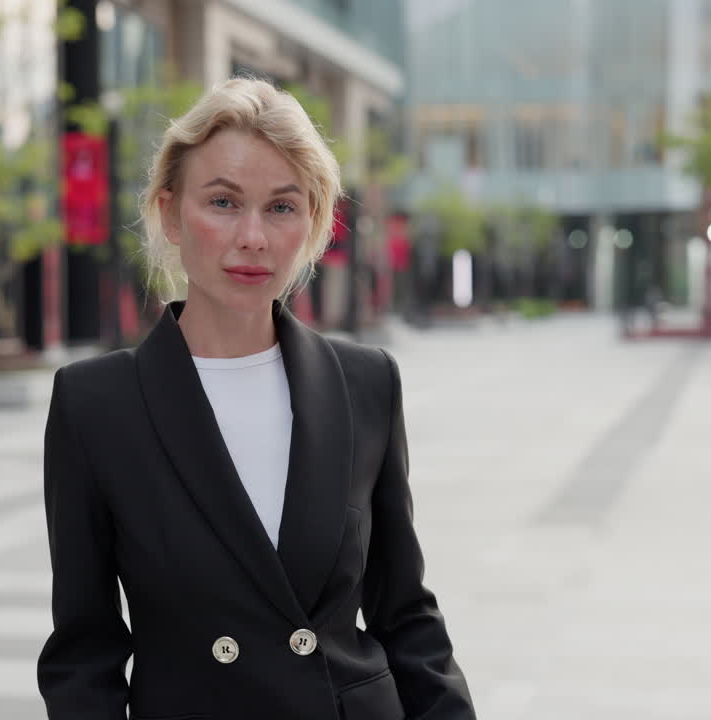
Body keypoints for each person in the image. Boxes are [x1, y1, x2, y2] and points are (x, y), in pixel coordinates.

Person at [38, 77, 475, 720]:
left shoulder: (366, 384)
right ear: (169, 212)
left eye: (281, 207)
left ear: (314, 223)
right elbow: (84, 656)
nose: (253, 238)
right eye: (222, 202)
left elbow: (405, 614)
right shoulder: (95, 405)